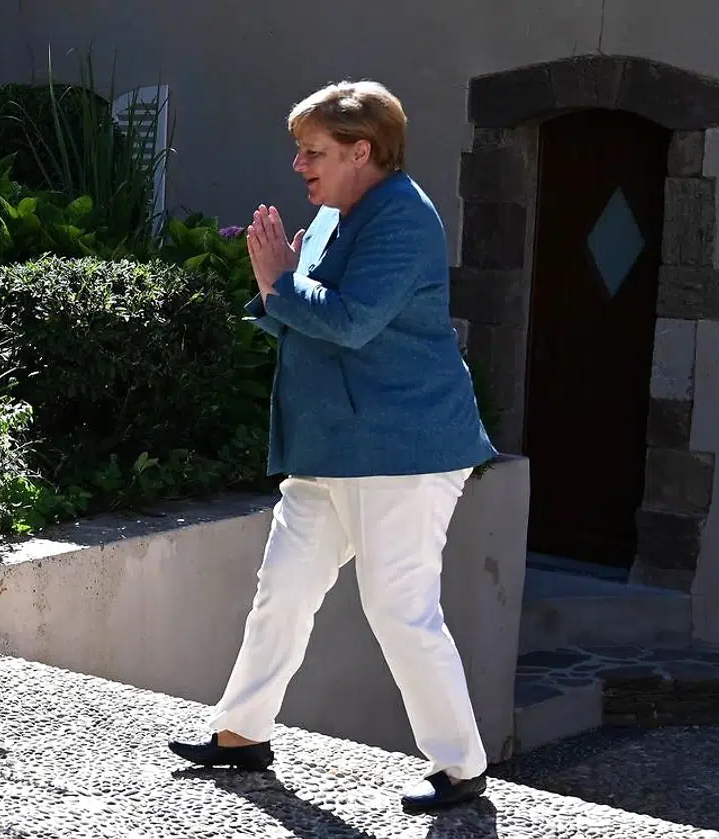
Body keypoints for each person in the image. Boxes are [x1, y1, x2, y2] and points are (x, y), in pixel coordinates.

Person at [166, 80, 498, 813]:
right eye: (299, 150)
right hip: (331, 447)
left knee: (400, 608)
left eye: (313, 151)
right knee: (282, 588)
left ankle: (460, 765)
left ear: (361, 151)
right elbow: (302, 308)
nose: (299, 165)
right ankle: (242, 732)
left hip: (403, 451)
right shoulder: (329, 216)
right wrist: (277, 287)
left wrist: (279, 284)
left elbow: (350, 321)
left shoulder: (403, 217)